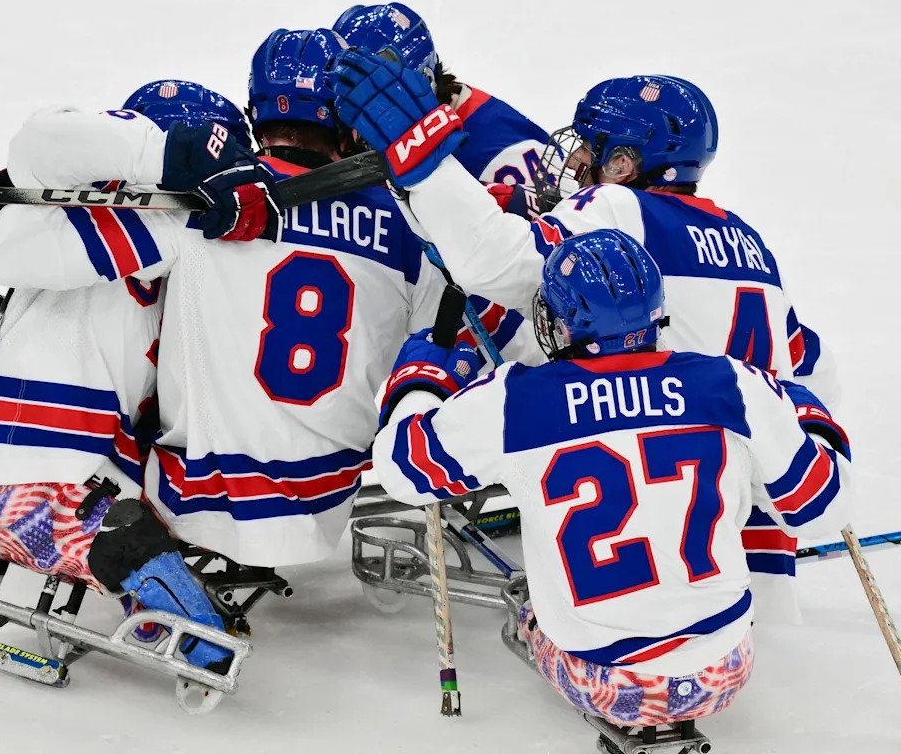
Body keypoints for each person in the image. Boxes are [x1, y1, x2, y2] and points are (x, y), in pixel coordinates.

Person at [328, 56, 839, 616]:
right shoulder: (749, 241)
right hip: (748, 548)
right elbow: (812, 368)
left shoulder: (619, 208)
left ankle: (493, 457)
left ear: (623, 164)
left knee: (528, 334)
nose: (573, 160)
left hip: (639, 555)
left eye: (590, 150)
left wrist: (421, 161)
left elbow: (496, 264)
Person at [0, 28, 502, 573]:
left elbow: (14, 257)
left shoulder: (205, 204)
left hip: (197, 504)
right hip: (329, 504)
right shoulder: (406, 221)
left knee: (131, 309)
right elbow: (455, 332)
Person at [370, 230, 853, 727]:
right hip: (724, 667)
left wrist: (423, 378)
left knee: (527, 598)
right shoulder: (730, 381)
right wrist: (805, 414)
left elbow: (402, 470)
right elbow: (823, 510)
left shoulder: (516, 399)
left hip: (602, 680)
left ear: (561, 324)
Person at [0, 79, 252, 669]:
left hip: (1, 480)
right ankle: (159, 605)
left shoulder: (166, 258)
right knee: (144, 543)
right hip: (22, 492)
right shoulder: (134, 231)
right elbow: (37, 163)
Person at [333, 2, 550, 187]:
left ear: (424, 83)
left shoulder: (499, 159)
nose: (356, 131)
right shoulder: (437, 112)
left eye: (374, 104)